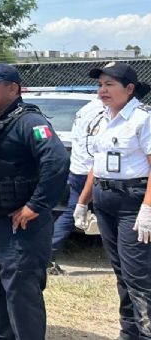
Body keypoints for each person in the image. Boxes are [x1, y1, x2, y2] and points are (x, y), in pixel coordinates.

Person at [0, 63, 69, 340]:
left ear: (13, 89)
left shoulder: (30, 122)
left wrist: (36, 205)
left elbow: (57, 162)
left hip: (19, 229)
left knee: (21, 298)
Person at [74, 61, 151, 340]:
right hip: (105, 199)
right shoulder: (103, 118)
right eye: (99, 84)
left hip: (133, 201)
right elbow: (99, 163)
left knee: (138, 275)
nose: (102, 90)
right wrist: (83, 201)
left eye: (109, 84)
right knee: (121, 273)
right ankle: (128, 331)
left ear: (129, 89)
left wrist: (147, 209)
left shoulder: (142, 118)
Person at [48, 96, 103, 274]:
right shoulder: (105, 112)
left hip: (78, 168)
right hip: (93, 170)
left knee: (73, 210)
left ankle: (47, 253)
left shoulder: (85, 109)